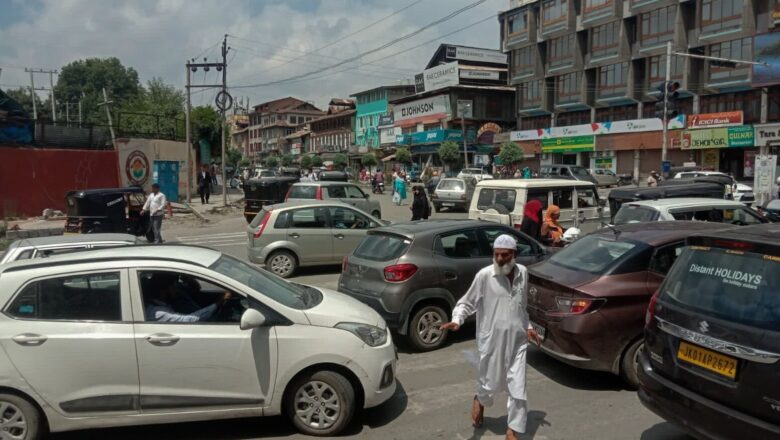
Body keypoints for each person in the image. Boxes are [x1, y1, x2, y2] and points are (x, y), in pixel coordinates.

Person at [440, 234, 541, 440]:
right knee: (489, 382)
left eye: (505, 255)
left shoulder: (523, 272)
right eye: (496, 255)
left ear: (514, 255)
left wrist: (528, 327)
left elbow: (521, 307)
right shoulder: (485, 276)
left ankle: (513, 429)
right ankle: (480, 399)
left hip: (518, 341)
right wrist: (457, 320)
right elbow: (466, 303)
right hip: (492, 341)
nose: (500, 259)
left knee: (518, 386)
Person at [144, 273, 231, 322]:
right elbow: (191, 319)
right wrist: (218, 302)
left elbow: (195, 289)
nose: (176, 289)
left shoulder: (173, 296)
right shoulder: (158, 312)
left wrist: (188, 278)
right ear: (163, 291)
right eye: (173, 287)